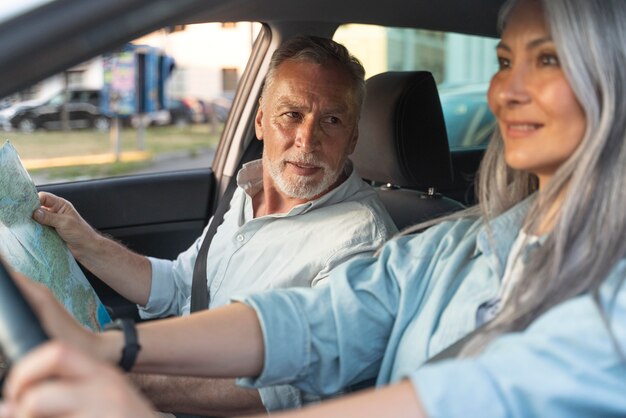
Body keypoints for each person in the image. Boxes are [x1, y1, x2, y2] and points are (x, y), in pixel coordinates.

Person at [3, 0, 626, 416]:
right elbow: (317, 319)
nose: (505, 91)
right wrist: (107, 350)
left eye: (546, 59)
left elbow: (462, 397)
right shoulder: (458, 240)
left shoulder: (612, 289)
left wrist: (127, 391)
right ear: (259, 123)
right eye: (504, 60)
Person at [29, 35, 397, 415]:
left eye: (332, 121)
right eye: (291, 115)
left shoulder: (361, 241)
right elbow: (180, 284)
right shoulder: (249, 188)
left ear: (352, 138)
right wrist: (83, 239)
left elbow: (291, 389)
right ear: (259, 122)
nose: (307, 139)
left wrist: (114, 379)